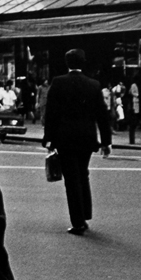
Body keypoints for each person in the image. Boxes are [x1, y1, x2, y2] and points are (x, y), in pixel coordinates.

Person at [42, 48, 111, 236]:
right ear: (83, 63)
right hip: (87, 137)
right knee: (83, 174)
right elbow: (102, 115)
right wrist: (106, 141)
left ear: (67, 63)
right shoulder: (94, 85)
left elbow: (51, 113)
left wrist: (48, 137)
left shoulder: (58, 82)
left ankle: (78, 222)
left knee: (71, 180)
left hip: (64, 138)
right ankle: (85, 213)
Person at [122, 72, 139, 144]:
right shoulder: (134, 85)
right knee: (132, 124)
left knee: (132, 124)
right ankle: (132, 140)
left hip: (134, 105)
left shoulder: (134, 85)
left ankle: (132, 140)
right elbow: (133, 93)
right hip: (134, 105)